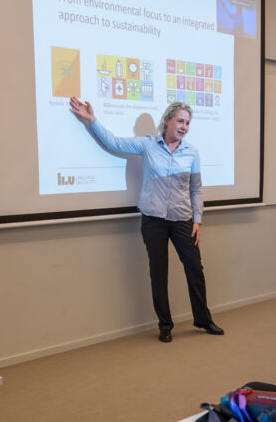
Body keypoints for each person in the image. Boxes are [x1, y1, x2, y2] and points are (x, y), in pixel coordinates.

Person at [69, 97, 224, 342]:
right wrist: (91, 121)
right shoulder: (148, 145)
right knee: (158, 272)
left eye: (187, 123)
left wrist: (197, 220)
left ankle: (203, 319)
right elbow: (114, 142)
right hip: (154, 220)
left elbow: (196, 189)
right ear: (167, 120)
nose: (184, 126)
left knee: (195, 268)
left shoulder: (191, 152)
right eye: (180, 121)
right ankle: (165, 324)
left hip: (183, 219)